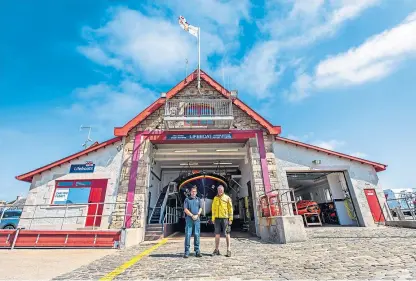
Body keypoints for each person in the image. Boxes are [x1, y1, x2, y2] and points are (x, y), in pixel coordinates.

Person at [211, 185, 233, 257]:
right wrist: (213, 218)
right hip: (217, 219)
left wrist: (230, 219)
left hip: (225, 218)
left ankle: (229, 250)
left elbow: (230, 209)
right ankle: (216, 250)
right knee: (217, 234)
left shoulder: (227, 198)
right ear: (217, 190)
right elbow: (213, 209)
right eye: (219, 190)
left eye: (221, 190)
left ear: (223, 190)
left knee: (227, 234)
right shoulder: (215, 198)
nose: (220, 191)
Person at [183, 186, 202, 258]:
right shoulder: (187, 200)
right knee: (188, 234)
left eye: (195, 191)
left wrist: (197, 215)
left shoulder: (198, 199)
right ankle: (187, 251)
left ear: (196, 192)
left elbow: (200, 208)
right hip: (189, 219)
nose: (194, 193)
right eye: (192, 191)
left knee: (197, 234)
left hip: (197, 219)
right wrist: (192, 215)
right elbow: (185, 209)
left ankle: (197, 251)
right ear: (190, 192)